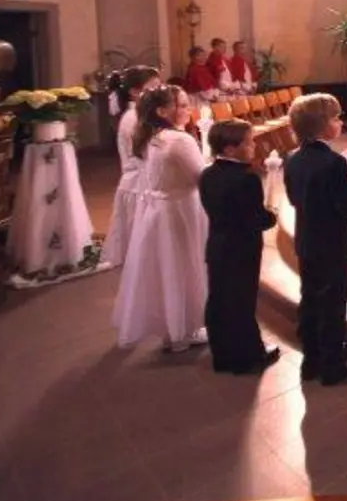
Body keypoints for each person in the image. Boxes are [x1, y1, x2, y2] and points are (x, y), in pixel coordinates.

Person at [111, 85, 210, 352]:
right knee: (183, 264)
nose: (187, 109)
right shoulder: (179, 140)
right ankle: (183, 329)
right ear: (162, 111)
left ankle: (173, 328)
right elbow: (201, 177)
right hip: (180, 207)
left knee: (167, 268)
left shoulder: (151, 135)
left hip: (158, 207)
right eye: (181, 105)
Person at [284, 93, 347, 384]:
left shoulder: (292, 158)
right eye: (336, 117)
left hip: (307, 239)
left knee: (309, 299)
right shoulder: (334, 163)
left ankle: (311, 361)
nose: (340, 122)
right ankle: (333, 365)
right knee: (333, 303)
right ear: (322, 126)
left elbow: (295, 197)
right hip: (332, 243)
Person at [199, 119, 280, 374]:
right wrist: (272, 215)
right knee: (242, 301)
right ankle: (249, 356)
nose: (254, 145)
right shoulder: (247, 179)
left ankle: (222, 354)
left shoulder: (207, 174)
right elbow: (255, 219)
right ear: (230, 149)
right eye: (248, 142)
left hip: (218, 244)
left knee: (219, 298)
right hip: (242, 248)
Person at [102, 64, 161, 267]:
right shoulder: (134, 118)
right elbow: (146, 154)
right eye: (152, 88)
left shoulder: (142, 115)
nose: (158, 93)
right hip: (138, 183)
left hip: (142, 180)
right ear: (135, 92)